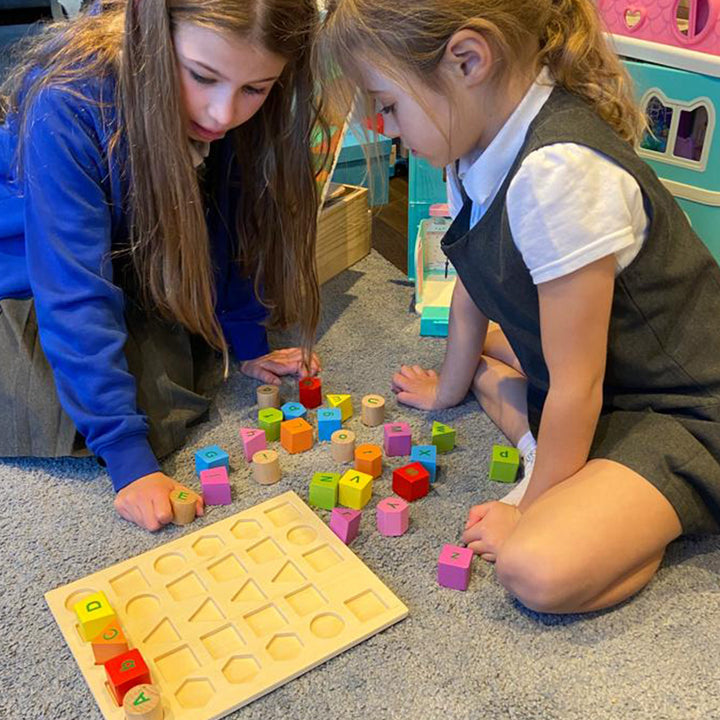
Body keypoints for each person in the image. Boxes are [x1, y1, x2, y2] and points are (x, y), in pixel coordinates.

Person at [318, 0, 720, 613]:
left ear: (468, 60)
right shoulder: (471, 145)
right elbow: (475, 278)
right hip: (606, 374)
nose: (386, 127)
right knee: (512, 362)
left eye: (389, 105)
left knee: (534, 568)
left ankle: (632, 517)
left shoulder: (558, 173)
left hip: (688, 404)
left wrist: (531, 510)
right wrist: (450, 388)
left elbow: (575, 388)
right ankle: (574, 468)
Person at [0, 0, 325, 531]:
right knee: (96, 408)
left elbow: (230, 216)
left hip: (137, 249)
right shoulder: (69, 98)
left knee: (179, 358)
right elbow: (72, 287)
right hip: (34, 267)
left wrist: (246, 340)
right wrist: (128, 463)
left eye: (255, 89)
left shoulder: (225, 109)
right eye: (202, 77)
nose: (223, 114)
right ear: (151, 33)